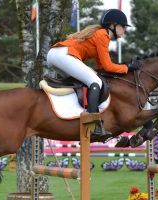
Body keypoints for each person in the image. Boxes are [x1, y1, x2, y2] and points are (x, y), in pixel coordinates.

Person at [47, 9, 138, 138]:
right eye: (123, 26)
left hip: (56, 55)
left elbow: (102, 66)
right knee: (95, 82)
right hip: (63, 54)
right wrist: (127, 68)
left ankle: (74, 115)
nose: (124, 30)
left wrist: (121, 69)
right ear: (112, 25)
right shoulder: (103, 35)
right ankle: (93, 124)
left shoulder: (99, 35)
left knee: (81, 83)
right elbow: (108, 65)